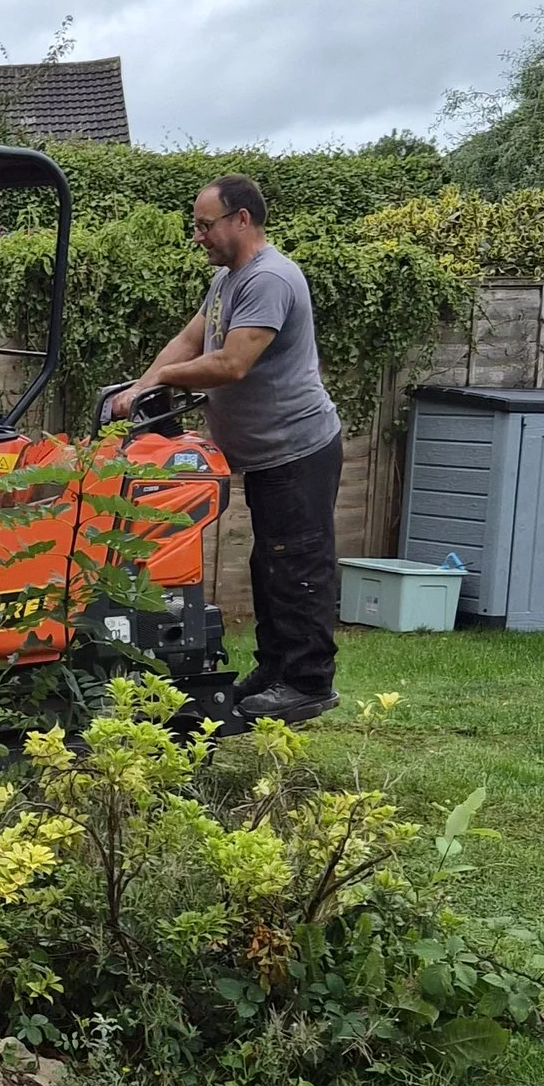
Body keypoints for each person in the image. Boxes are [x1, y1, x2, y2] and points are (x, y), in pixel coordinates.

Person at [109, 174, 342, 720]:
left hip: (298, 449)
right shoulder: (228, 283)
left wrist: (159, 380)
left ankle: (307, 681)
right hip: (267, 454)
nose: (198, 236)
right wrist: (142, 386)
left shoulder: (270, 279)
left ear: (242, 219)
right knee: (270, 563)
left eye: (204, 224)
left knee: (297, 562)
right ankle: (276, 667)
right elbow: (191, 341)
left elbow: (231, 364)